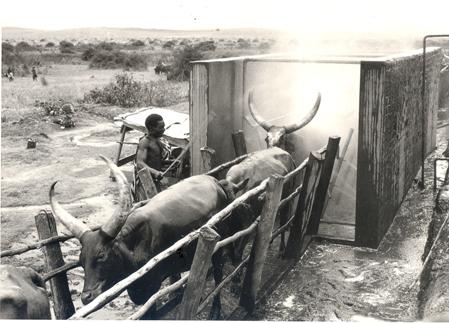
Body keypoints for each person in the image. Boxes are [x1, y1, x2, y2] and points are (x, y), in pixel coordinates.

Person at [135, 114, 167, 190]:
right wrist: (155, 172)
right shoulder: (145, 142)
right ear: (152, 128)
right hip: (147, 181)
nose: (164, 129)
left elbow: (155, 159)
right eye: (160, 127)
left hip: (156, 179)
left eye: (164, 126)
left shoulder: (158, 141)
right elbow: (139, 163)